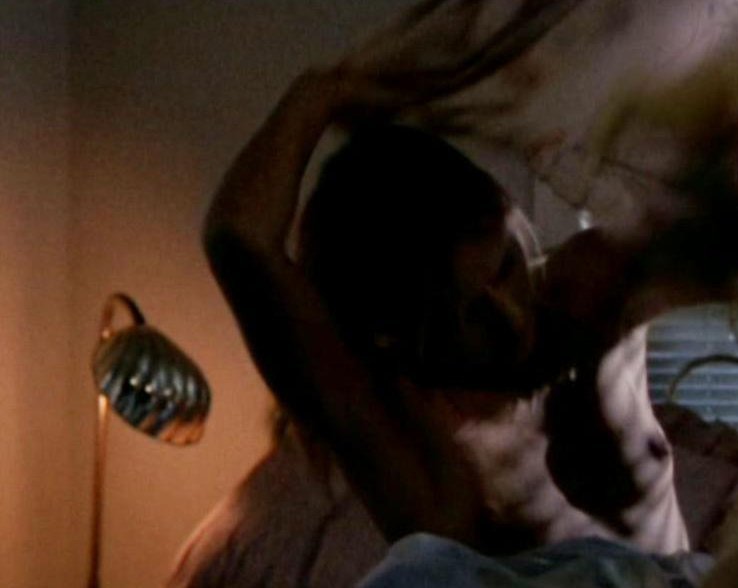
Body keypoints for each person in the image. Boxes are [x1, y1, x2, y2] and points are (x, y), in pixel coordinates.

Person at [203, 67, 696, 558]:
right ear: (393, 333)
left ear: (512, 217)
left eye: (506, 266)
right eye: (469, 313)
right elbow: (238, 236)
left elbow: (726, 222)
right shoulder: (393, 424)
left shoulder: (582, 292)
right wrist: (321, 91)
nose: (511, 318)